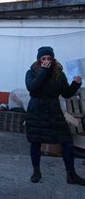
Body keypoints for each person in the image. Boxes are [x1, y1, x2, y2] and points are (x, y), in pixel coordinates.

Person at [25, 46, 84, 185]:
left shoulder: (59, 74)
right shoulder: (31, 72)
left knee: (67, 141)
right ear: (39, 60)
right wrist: (44, 71)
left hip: (54, 111)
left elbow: (66, 93)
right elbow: (32, 87)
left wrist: (75, 84)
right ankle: (36, 171)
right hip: (36, 110)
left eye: (49, 58)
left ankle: (71, 175)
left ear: (53, 59)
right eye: (43, 58)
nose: (46, 60)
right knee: (35, 141)